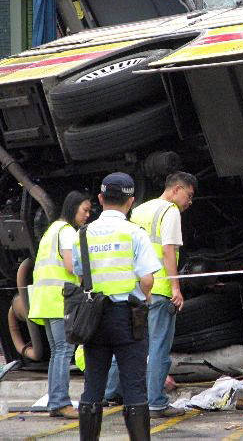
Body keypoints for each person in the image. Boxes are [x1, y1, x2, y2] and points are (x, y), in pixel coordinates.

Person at [73, 172, 161, 441]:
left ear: (100, 198)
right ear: (131, 201)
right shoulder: (135, 233)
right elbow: (147, 278)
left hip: (94, 318)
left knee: (93, 387)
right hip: (127, 317)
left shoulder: (83, 234)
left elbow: (79, 275)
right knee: (134, 386)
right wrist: (144, 297)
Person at [131, 171, 197, 418]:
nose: (188, 203)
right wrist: (176, 288)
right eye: (188, 196)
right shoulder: (170, 212)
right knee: (159, 347)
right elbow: (168, 251)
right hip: (160, 290)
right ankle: (156, 402)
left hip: (138, 290)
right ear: (176, 189)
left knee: (139, 346)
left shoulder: (139, 211)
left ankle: (136, 397)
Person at [28, 191, 91, 419]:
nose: (87, 215)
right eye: (84, 210)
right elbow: (70, 266)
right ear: (73, 207)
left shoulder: (51, 231)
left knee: (57, 352)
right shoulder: (66, 232)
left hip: (45, 301)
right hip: (59, 301)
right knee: (64, 351)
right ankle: (62, 402)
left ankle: (56, 402)